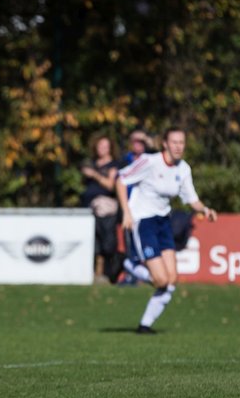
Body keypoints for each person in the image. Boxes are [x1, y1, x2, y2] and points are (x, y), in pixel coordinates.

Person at [116, 127, 217, 333]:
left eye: (182, 142)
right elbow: (120, 179)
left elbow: (192, 199)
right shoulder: (150, 162)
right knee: (160, 279)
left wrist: (205, 210)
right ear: (165, 144)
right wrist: (126, 212)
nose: (179, 147)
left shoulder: (184, 169)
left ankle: (145, 325)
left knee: (171, 280)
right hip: (143, 221)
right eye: (174, 142)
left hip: (163, 222)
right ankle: (128, 264)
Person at [79, 134, 121, 284]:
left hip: (106, 209)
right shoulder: (92, 163)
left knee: (107, 244)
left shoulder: (113, 166)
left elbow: (111, 185)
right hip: (89, 208)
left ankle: (110, 273)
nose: (101, 149)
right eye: (99, 146)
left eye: (105, 146)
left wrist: (94, 175)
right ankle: (93, 274)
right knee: (93, 243)